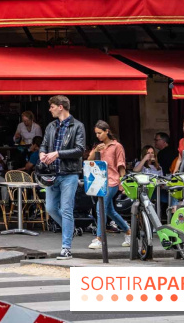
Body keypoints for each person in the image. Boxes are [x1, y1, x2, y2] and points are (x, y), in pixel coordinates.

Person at [40, 95, 86, 261]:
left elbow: (80, 150)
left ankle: (66, 247)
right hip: (52, 174)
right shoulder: (51, 126)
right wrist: (42, 153)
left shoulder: (78, 126)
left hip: (69, 174)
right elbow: (44, 144)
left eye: (51, 106)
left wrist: (58, 153)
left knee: (66, 209)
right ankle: (71, 229)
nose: (50, 109)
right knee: (50, 208)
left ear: (60, 106)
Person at [86, 120, 130, 249]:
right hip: (100, 181)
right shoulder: (98, 146)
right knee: (109, 210)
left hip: (112, 181)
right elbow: (88, 161)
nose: (98, 136)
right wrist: (95, 151)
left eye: (100, 133)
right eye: (96, 133)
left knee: (101, 208)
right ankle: (128, 231)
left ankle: (99, 238)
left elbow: (121, 165)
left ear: (107, 132)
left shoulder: (117, 146)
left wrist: (123, 184)